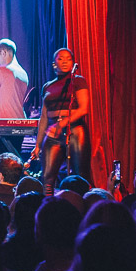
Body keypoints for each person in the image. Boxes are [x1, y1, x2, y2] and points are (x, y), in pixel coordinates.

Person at [28, 48, 90, 195]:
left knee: (79, 174)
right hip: (52, 131)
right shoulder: (48, 86)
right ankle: (47, 207)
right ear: (54, 63)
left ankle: (81, 206)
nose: (64, 62)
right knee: (47, 176)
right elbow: (43, 117)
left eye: (68, 59)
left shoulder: (78, 80)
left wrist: (62, 123)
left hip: (74, 129)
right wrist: (38, 145)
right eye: (61, 58)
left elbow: (83, 109)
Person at [0, 38, 29, 119]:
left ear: (3, 52)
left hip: (6, 124)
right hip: (22, 121)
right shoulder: (23, 74)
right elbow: (7, 103)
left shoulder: (1, 70)